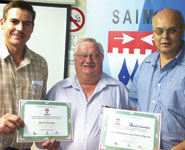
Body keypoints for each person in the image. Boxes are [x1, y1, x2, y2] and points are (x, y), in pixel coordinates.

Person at [38, 38, 129, 150]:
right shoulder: (57, 91)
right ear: (75, 59)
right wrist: (45, 143)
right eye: (83, 55)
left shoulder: (119, 91)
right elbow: (42, 132)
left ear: (102, 58)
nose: (88, 60)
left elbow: (129, 132)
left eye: (94, 55)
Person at [128, 8, 185, 150]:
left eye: (171, 30)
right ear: (153, 33)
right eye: (159, 31)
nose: (164, 36)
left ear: (182, 30)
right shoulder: (146, 64)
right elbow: (134, 104)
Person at [0, 1, 48, 150]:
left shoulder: (40, 64)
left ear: (32, 28)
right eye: (14, 21)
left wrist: (47, 135)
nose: (20, 28)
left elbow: (41, 106)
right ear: (2, 23)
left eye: (26, 23)